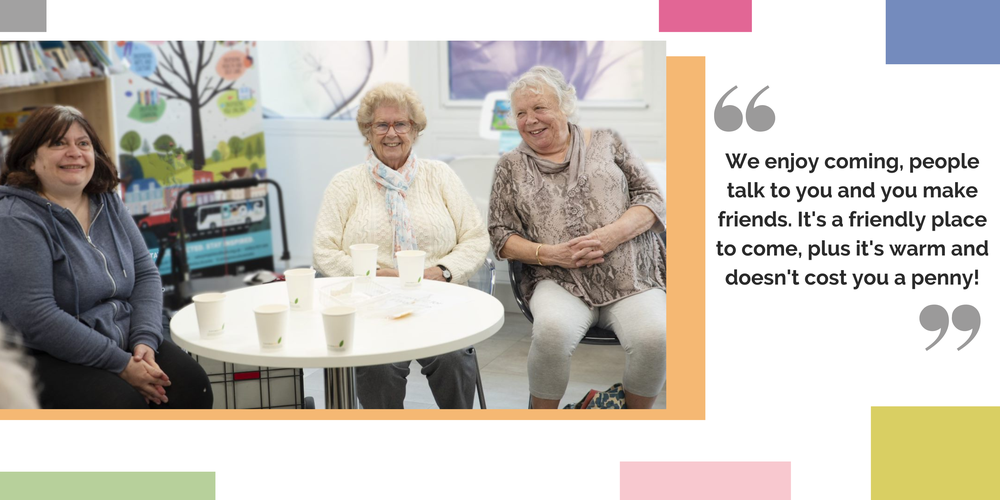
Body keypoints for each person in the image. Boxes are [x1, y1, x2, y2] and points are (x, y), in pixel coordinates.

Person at [0, 106, 212, 409]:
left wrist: (144, 344)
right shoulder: (15, 218)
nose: (74, 152)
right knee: (121, 403)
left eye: (83, 143)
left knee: (191, 385)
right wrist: (122, 364)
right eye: (58, 143)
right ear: (31, 159)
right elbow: (37, 317)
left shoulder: (107, 199)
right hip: (46, 352)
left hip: (124, 336)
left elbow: (145, 273)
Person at [488, 66, 667, 409]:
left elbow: (652, 200)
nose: (531, 120)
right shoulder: (509, 166)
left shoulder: (607, 139)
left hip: (629, 275)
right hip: (558, 279)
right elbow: (501, 235)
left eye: (540, 108)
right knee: (552, 331)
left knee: (655, 336)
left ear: (564, 107)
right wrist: (553, 254)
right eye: (521, 113)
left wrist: (612, 235)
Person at [313, 83, 489, 409]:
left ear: (416, 129)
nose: (391, 133)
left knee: (452, 360)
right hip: (371, 305)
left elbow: (476, 237)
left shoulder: (441, 176)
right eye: (381, 124)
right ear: (367, 131)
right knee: (377, 367)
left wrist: (443, 271)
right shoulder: (345, 183)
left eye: (401, 124)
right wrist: (374, 275)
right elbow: (323, 249)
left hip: (439, 300)